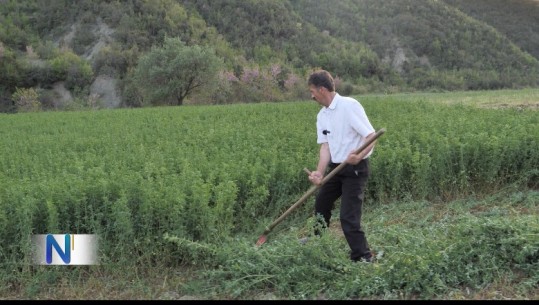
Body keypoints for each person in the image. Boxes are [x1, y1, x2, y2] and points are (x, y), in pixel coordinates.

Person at [305, 69, 378, 263]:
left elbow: (371, 137)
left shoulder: (349, 106)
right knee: (322, 203)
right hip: (336, 169)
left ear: (322, 89)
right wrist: (319, 173)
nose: (311, 96)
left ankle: (363, 256)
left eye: (312, 91)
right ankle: (317, 241)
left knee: (348, 215)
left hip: (355, 168)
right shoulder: (322, 116)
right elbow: (325, 147)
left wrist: (359, 155)